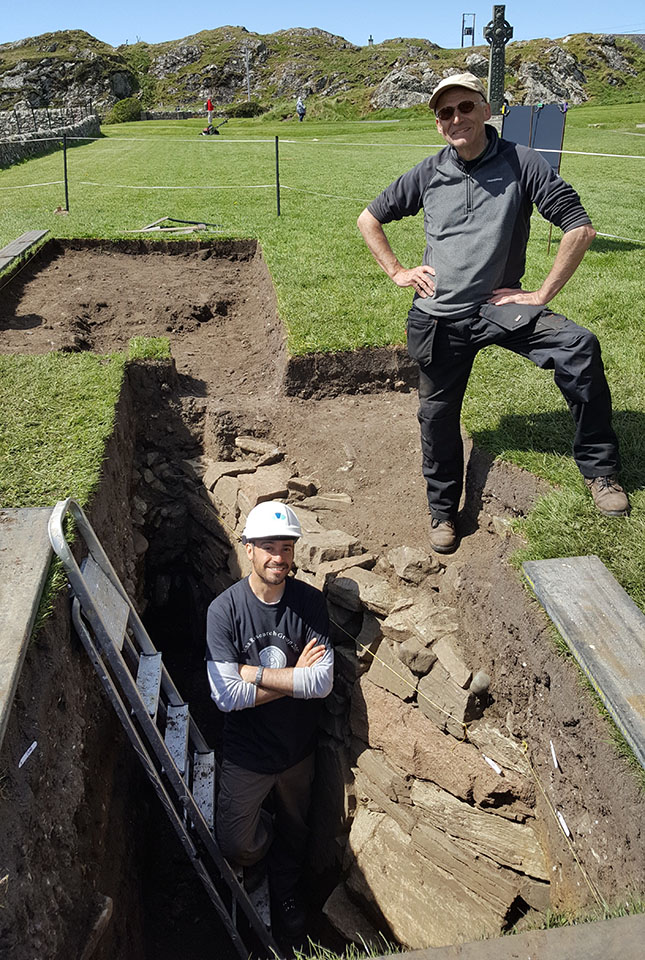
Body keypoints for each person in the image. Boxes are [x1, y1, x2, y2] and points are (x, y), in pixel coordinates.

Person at [357, 72, 629, 554]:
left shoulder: (522, 163)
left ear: (485, 110)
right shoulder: (426, 173)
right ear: (438, 124)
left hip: (500, 307)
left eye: (464, 107)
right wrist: (398, 270)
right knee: (436, 414)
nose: (456, 118)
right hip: (439, 315)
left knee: (579, 348)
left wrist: (541, 294)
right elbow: (369, 218)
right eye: (445, 113)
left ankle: (601, 472)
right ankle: (442, 510)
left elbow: (579, 228)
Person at [206, 500, 333, 939]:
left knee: (297, 833)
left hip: (297, 752)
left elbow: (321, 684)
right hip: (248, 754)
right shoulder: (224, 611)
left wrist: (254, 675)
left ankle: (287, 890)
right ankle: (265, 846)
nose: (278, 557)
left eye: (286, 547)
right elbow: (225, 696)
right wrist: (293, 675)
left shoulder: (310, 605)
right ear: (248, 549)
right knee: (237, 844)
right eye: (268, 547)